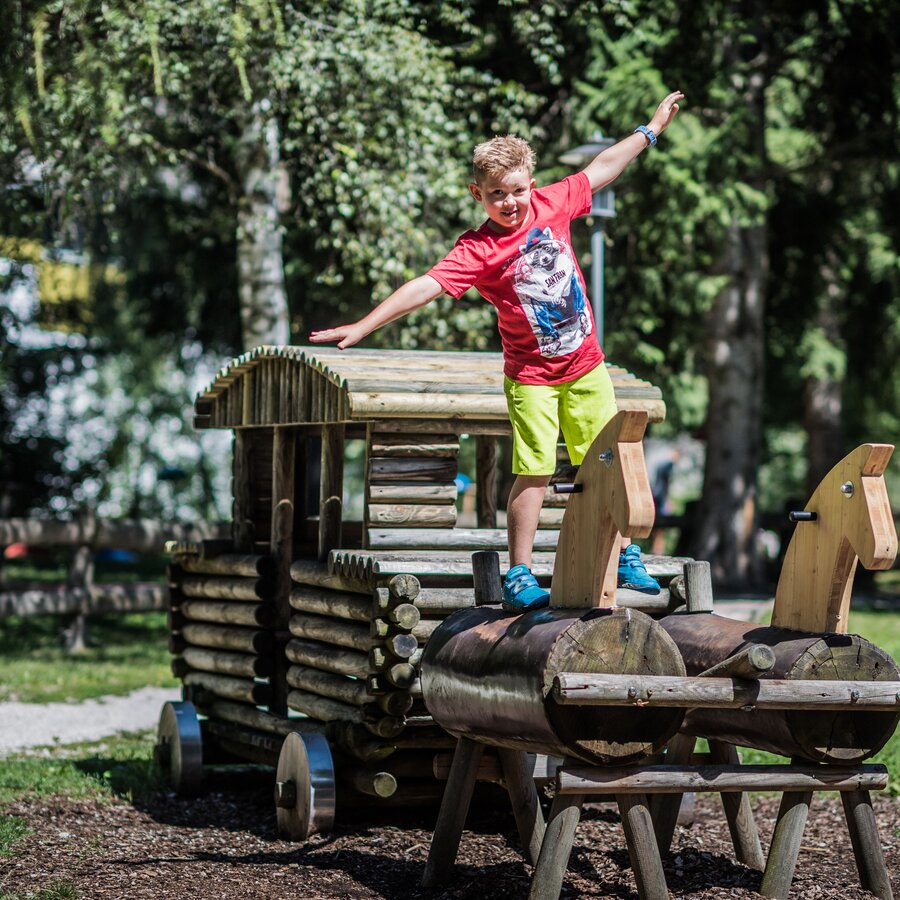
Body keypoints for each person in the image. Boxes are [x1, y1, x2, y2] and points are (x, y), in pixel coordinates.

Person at [310, 90, 684, 611]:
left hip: (586, 367)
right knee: (533, 469)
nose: (509, 203)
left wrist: (650, 130)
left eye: (516, 191)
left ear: (532, 184)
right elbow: (426, 285)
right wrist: (365, 325)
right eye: (496, 195)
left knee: (605, 462)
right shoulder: (479, 249)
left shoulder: (554, 203)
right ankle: (520, 571)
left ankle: (623, 553)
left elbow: (603, 167)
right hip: (531, 376)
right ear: (477, 194)